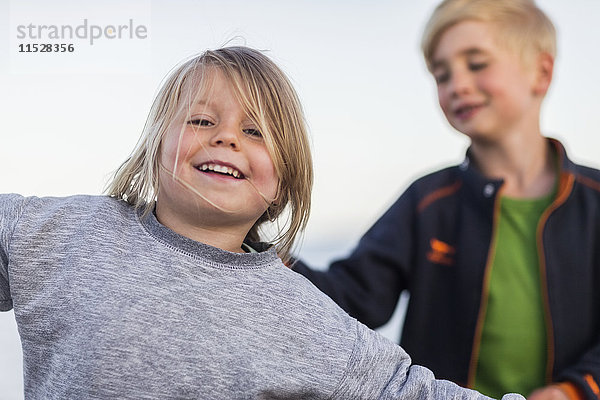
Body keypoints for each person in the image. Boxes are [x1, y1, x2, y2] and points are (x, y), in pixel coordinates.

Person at [0, 47, 523, 399]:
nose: (226, 138)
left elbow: (403, 389)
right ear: (155, 145)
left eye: (255, 131)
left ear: (284, 181)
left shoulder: (304, 314)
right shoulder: (57, 232)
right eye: (202, 120)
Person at [292, 1, 600, 399]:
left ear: (541, 72)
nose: (457, 85)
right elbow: (350, 296)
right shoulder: (427, 202)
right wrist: (260, 253)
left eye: (476, 64)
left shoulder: (594, 203)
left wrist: (573, 391)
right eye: (441, 74)